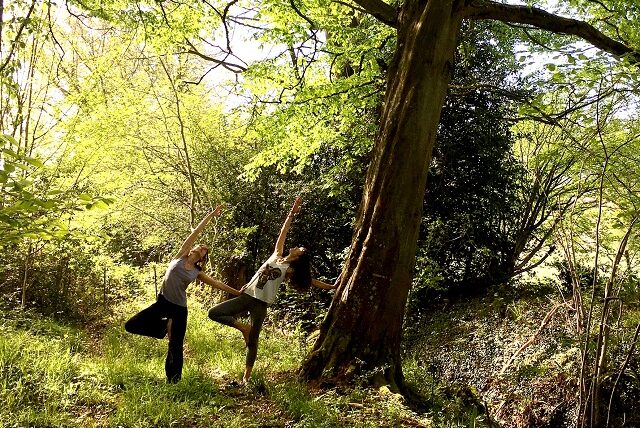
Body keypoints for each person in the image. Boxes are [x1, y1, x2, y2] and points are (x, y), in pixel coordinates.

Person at [207, 196, 337, 384]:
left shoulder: (289, 270)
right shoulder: (276, 255)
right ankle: (243, 327)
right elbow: (283, 232)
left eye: (300, 249)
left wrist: (332, 286)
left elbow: (313, 282)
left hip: (261, 303)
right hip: (246, 296)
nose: (296, 246)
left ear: (299, 257)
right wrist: (292, 213)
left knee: (253, 341)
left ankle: (246, 377)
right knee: (214, 313)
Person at [125, 206, 241, 383]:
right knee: (131, 325)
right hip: (163, 302)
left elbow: (217, 283)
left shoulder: (197, 272)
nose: (200, 247)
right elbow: (196, 232)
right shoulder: (180, 256)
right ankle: (164, 327)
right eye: (199, 246)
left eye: (204, 249)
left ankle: (174, 381)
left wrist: (237, 293)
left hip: (179, 309)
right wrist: (210, 215)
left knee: (175, 345)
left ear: (202, 258)